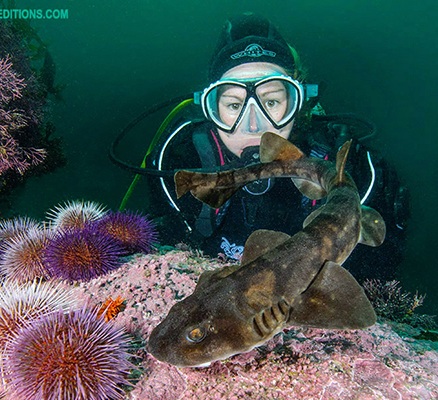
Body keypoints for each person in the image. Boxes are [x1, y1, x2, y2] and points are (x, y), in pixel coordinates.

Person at [146, 13, 408, 281]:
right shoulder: (174, 162)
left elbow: (378, 274)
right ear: (211, 110)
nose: (253, 126)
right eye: (234, 105)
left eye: (271, 102)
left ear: (299, 103)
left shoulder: (361, 171)